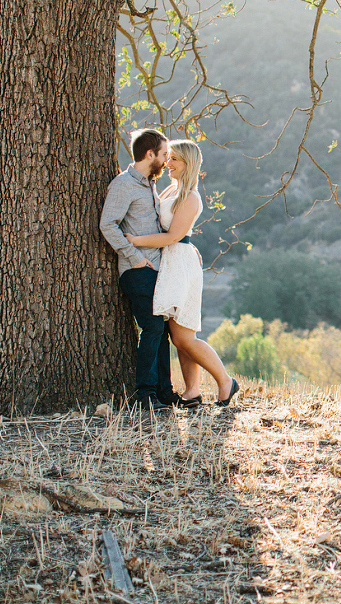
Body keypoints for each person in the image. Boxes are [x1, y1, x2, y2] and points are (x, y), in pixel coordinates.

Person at [124, 140, 240, 408]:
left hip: (179, 265)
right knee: (177, 334)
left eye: (174, 159)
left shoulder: (191, 197)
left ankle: (225, 381)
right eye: (169, 157)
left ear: (188, 164)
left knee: (183, 336)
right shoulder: (170, 190)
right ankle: (192, 391)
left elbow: (175, 235)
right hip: (170, 262)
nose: (168, 163)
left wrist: (134, 241)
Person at [100, 128, 178, 412]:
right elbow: (107, 224)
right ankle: (145, 395)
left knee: (162, 330)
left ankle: (165, 392)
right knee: (152, 327)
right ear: (150, 154)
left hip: (156, 269)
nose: (166, 159)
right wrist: (133, 257)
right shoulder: (123, 185)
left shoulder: (148, 184)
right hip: (138, 270)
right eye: (164, 154)